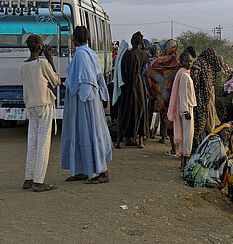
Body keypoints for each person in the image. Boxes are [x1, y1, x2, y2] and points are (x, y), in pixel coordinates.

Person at [61, 26, 112, 184]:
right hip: (88, 100)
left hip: (84, 102)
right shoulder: (89, 53)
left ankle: (102, 172)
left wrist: (82, 94)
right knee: (81, 133)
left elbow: (86, 80)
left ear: (75, 38)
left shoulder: (81, 54)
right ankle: (82, 170)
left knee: (89, 133)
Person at [21, 35, 60, 192]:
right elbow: (56, 81)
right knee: (44, 142)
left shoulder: (24, 65)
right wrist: (50, 59)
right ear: (39, 47)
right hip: (44, 104)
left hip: (31, 105)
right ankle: (39, 181)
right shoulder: (43, 63)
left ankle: (28, 178)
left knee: (33, 141)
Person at [144, 39, 181, 153]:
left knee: (166, 116)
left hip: (162, 95)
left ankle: (172, 147)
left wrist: (154, 90)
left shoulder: (158, 62)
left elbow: (148, 71)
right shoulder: (179, 63)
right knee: (175, 120)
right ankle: (176, 147)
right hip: (175, 96)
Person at [116, 31, 150, 148]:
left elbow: (123, 71)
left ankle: (120, 140)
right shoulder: (145, 55)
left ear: (131, 41)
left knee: (127, 111)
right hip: (139, 83)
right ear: (141, 42)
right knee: (141, 110)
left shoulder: (126, 55)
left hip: (128, 84)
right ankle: (140, 140)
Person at [168, 52, 196, 170]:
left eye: (190, 61)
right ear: (181, 62)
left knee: (187, 135)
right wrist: (185, 111)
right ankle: (185, 161)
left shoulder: (184, 74)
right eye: (186, 61)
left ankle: (184, 161)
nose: (189, 63)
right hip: (186, 108)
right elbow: (182, 94)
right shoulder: (184, 75)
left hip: (186, 107)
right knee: (188, 136)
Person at [191, 47, 222, 151]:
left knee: (201, 124)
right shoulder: (203, 65)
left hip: (201, 98)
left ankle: (199, 148)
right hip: (202, 99)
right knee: (201, 124)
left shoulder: (201, 64)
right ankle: (198, 149)